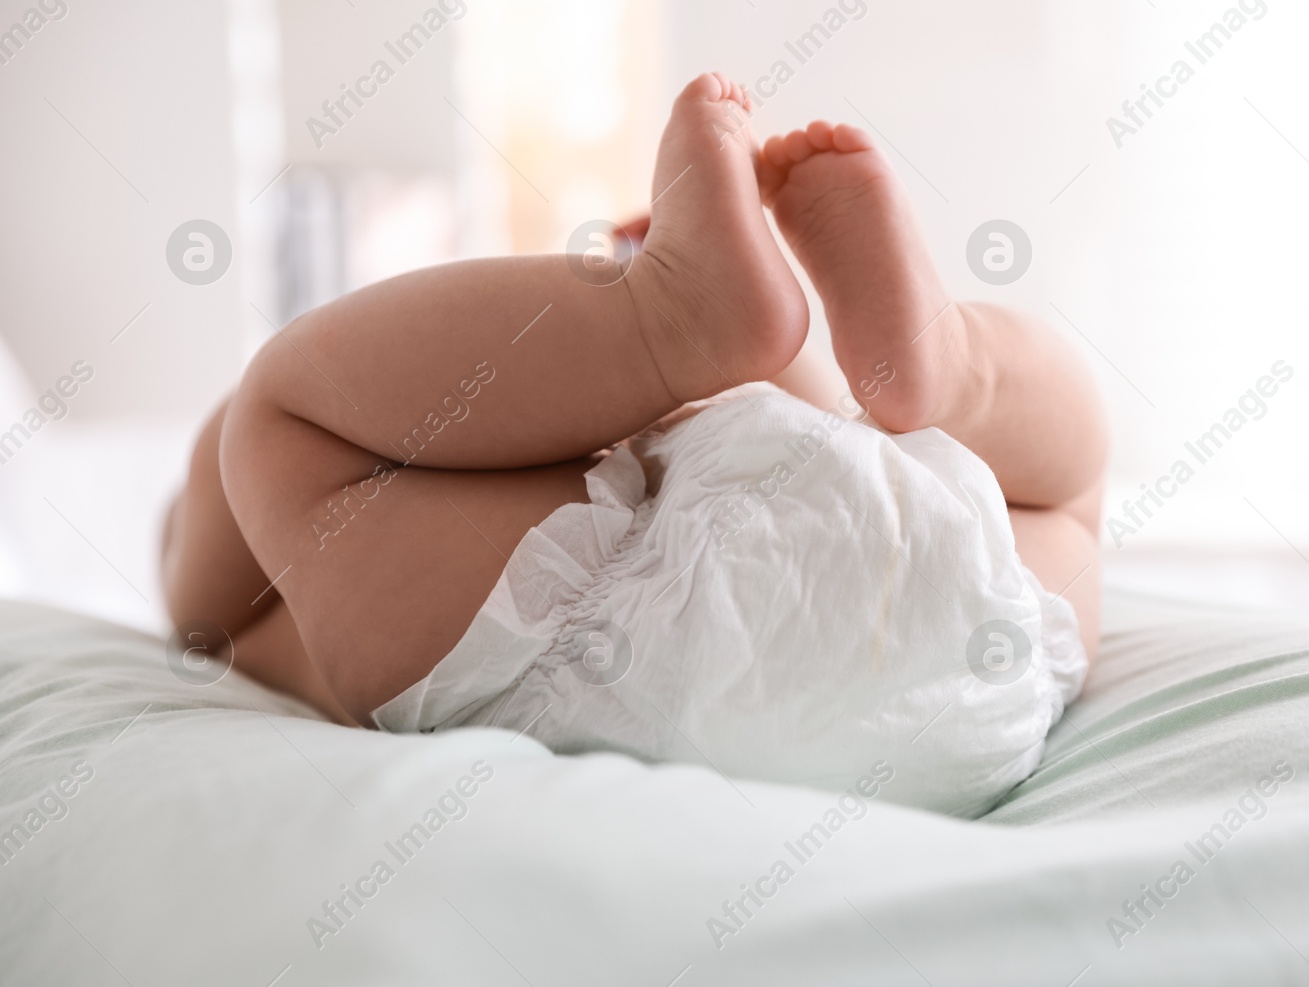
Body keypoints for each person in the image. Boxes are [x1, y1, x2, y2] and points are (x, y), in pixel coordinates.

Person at [161, 73, 1108, 813]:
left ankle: (676, 327)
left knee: (276, 431)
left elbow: (228, 527)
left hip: (598, 668)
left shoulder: (263, 636)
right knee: (1068, 498)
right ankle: (931, 363)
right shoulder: (260, 615)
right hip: (970, 674)